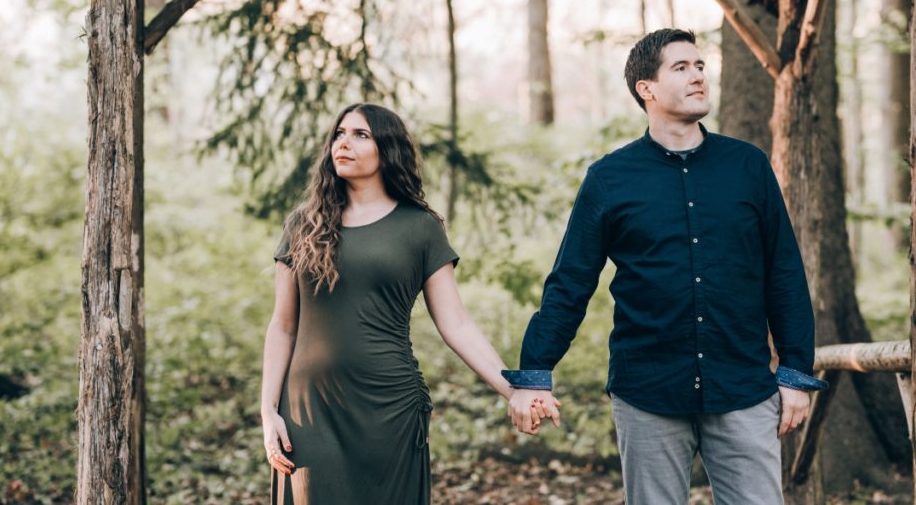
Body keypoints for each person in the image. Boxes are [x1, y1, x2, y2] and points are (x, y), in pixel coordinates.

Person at [502, 29, 828, 504]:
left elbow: (784, 272)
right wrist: (535, 371)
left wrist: (796, 370)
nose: (698, 76)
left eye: (700, 65)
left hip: (743, 387)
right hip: (647, 393)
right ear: (646, 89)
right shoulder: (610, 179)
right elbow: (570, 283)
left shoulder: (748, 166)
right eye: (681, 67)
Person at [260, 103, 556, 504]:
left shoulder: (419, 227)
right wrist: (268, 411)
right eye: (339, 134)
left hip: (390, 409)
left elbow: (457, 325)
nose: (343, 143)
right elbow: (283, 326)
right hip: (310, 409)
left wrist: (514, 390)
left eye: (360, 135)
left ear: (388, 149)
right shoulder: (304, 224)